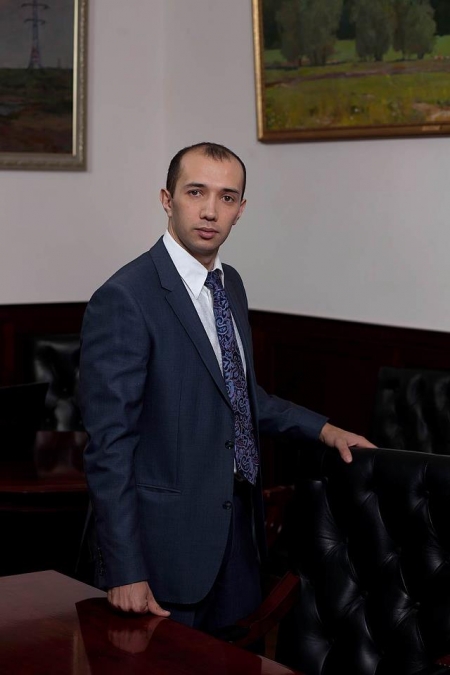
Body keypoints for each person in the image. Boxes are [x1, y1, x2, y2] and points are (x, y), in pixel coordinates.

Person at [79, 142, 374, 634]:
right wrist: (125, 569)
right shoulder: (125, 297)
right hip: (163, 553)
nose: (211, 211)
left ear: (241, 209)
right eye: (196, 192)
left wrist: (325, 430)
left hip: (238, 534)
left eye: (227, 197)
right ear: (167, 199)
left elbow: (238, 396)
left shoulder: (228, 283)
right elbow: (109, 447)